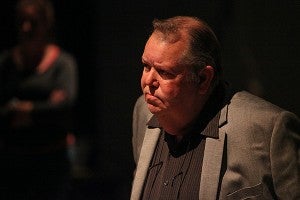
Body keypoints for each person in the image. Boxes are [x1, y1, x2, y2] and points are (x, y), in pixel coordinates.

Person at [130, 16, 300, 200]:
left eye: (164, 72)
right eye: (146, 66)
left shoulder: (268, 128)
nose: (148, 81)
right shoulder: (144, 110)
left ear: (203, 79)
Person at [0, 0, 78, 199]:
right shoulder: (6, 62)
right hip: (13, 159)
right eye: (22, 22)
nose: (26, 28)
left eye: (33, 22)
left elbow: (65, 105)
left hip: (52, 159)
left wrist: (24, 109)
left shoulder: (62, 63)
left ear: (46, 24)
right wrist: (44, 107)